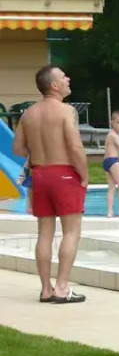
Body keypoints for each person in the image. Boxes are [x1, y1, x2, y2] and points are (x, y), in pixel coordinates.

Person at [12, 66, 88, 304]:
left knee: (44, 233)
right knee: (71, 232)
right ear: (54, 85)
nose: (68, 79)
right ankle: (62, 288)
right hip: (64, 173)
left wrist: (37, 150)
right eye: (64, 76)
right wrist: (84, 175)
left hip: (40, 175)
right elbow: (75, 147)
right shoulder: (67, 111)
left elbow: (17, 149)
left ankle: (46, 289)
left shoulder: (29, 114)